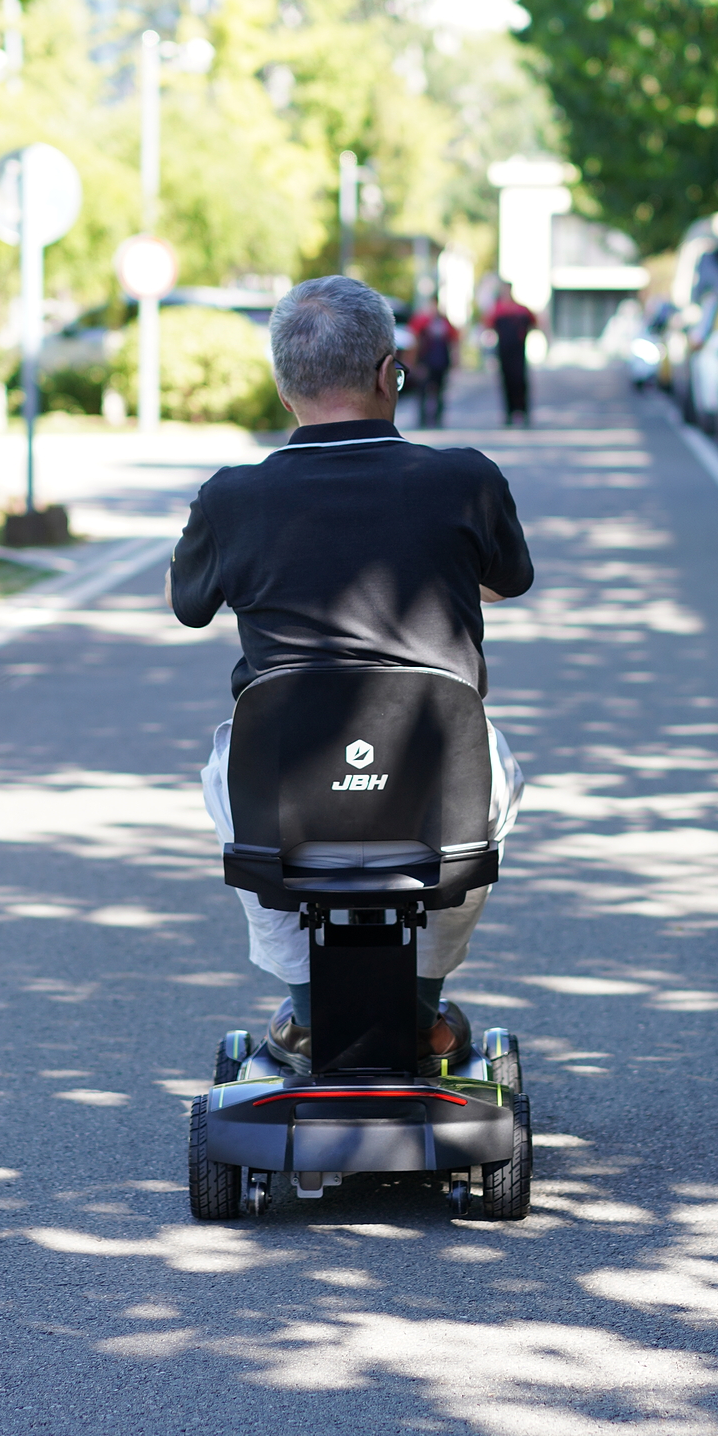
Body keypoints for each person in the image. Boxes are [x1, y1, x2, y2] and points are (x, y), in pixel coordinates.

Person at [168, 276, 534, 1073]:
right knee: (492, 777)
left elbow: (191, 606)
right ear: (388, 373)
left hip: (287, 785)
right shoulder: (465, 479)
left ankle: (306, 1014)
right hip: (438, 782)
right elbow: (505, 582)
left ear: (282, 386)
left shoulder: (231, 499)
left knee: (224, 779)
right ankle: (420, 1007)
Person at [486, 281, 537, 425]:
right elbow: (488, 328)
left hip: (518, 352)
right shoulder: (497, 310)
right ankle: (509, 413)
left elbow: (534, 323)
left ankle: (523, 411)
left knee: (520, 381)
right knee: (506, 382)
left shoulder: (521, 310)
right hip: (503, 351)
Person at [408, 297, 458, 428]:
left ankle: (437, 419)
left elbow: (453, 342)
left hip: (441, 362)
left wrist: (454, 360)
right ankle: (423, 419)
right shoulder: (422, 322)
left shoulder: (444, 322)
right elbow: (414, 342)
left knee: (439, 392)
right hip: (426, 362)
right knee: (423, 391)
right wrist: (413, 362)